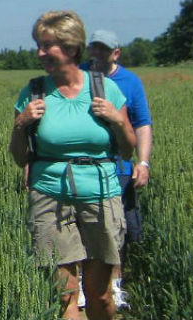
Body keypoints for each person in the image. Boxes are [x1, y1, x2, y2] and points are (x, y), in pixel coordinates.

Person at [10, 10, 135, 320]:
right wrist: (21, 124)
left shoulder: (105, 89)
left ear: (71, 47)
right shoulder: (34, 92)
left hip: (100, 194)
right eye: (39, 45)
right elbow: (19, 157)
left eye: (47, 45)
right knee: (65, 297)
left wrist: (117, 119)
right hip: (50, 196)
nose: (40, 53)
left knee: (100, 295)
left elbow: (128, 150)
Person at [78, 28, 154, 312]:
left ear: (116, 53)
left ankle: (115, 286)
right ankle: (86, 284)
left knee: (116, 230)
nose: (97, 54)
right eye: (93, 48)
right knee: (84, 226)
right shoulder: (78, 76)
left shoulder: (130, 82)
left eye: (103, 50)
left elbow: (142, 124)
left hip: (119, 167)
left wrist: (143, 162)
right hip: (84, 168)